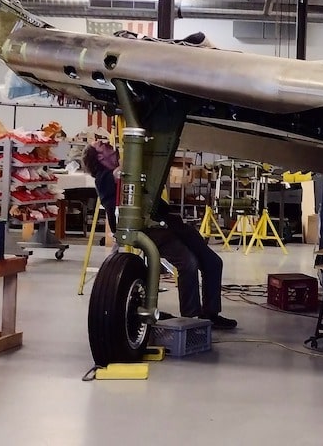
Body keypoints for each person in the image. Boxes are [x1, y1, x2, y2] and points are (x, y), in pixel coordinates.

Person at [84, 135, 237, 329]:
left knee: (213, 262)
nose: (106, 143)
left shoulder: (121, 167)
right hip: (145, 228)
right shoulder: (104, 178)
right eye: (101, 145)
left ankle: (211, 313)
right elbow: (121, 172)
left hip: (166, 221)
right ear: (98, 158)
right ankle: (192, 317)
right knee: (188, 262)